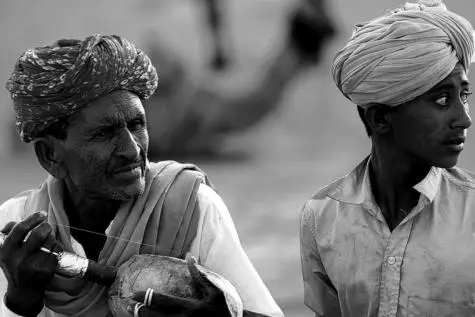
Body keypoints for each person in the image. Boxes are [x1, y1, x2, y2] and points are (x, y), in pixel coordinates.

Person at [0, 35, 282, 317]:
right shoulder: (15, 225)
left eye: (136, 124)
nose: (132, 149)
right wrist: (20, 299)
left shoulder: (191, 207)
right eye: (104, 133)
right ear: (50, 156)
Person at [299, 0, 475, 316]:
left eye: (464, 96)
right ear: (380, 118)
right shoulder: (322, 218)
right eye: (442, 99)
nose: (464, 119)